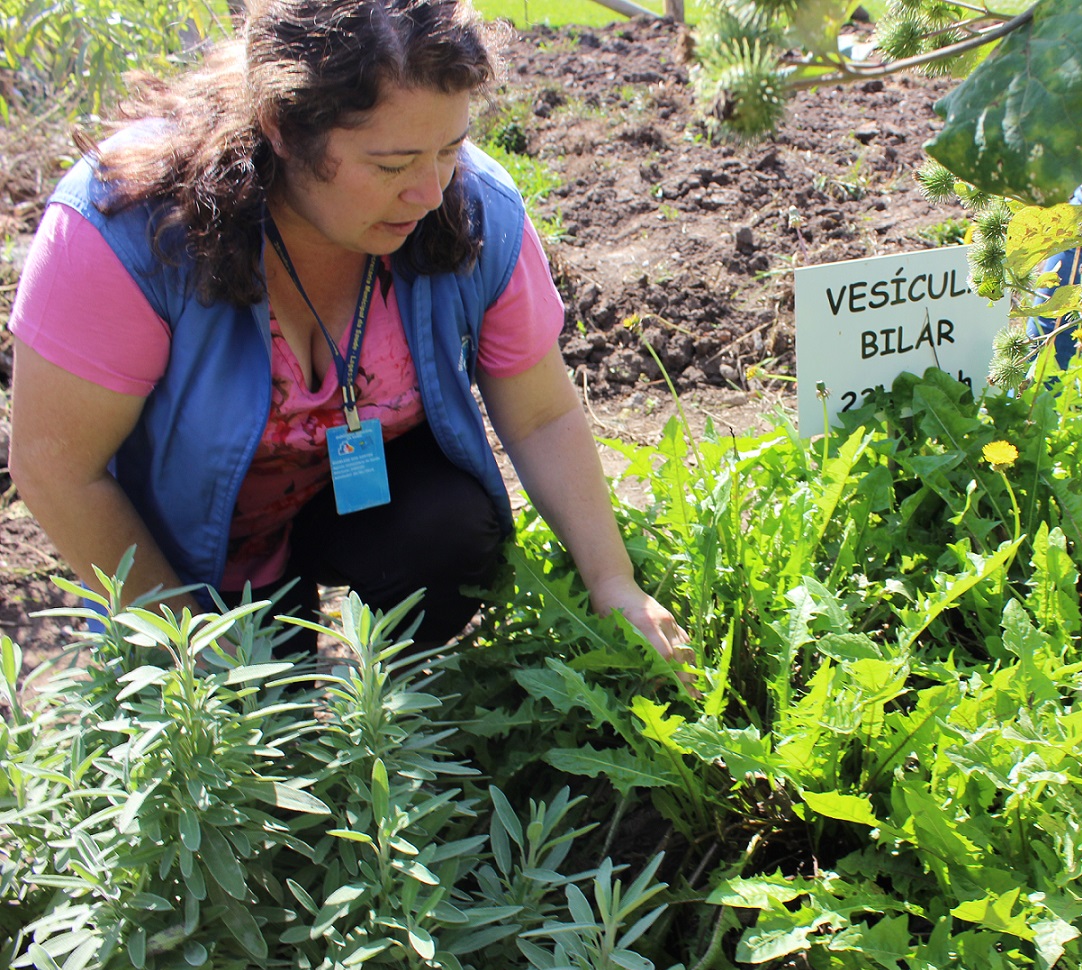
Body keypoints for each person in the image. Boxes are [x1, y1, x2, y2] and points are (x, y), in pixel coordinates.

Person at [5, 0, 692, 667]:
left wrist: (613, 582)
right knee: (246, 728)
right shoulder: (128, 230)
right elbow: (56, 467)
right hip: (190, 551)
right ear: (281, 126)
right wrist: (192, 657)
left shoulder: (475, 209)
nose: (429, 192)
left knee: (449, 529)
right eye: (391, 165)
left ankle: (394, 693)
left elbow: (541, 416)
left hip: (349, 503)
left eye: (450, 147)